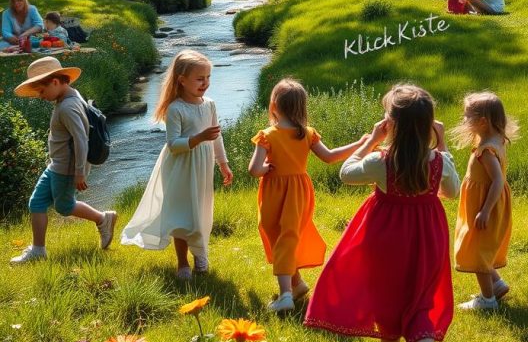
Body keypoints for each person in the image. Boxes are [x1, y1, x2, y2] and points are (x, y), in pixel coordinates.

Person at [305, 84, 460, 342]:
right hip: (428, 240)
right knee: (421, 301)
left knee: (387, 303)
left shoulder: (381, 161)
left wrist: (371, 141)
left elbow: (346, 173)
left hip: (386, 241)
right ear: (429, 125)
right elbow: (452, 191)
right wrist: (441, 145)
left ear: (391, 125)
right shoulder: (438, 161)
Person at [248, 77, 368, 313]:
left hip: (274, 192)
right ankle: (297, 284)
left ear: (274, 105)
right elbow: (330, 156)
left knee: (280, 237)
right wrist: (360, 144)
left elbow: (254, 170)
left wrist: (266, 168)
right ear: (302, 106)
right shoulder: (307, 134)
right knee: (287, 235)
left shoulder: (267, 135)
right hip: (299, 191)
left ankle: (285, 296)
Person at [121, 50, 232, 279]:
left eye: (208, 77)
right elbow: (173, 144)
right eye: (199, 78)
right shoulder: (176, 108)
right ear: (182, 80)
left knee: (201, 211)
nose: (205, 83)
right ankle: (182, 262)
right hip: (180, 167)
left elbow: (217, 137)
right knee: (182, 214)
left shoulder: (209, 104)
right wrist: (199, 138)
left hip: (202, 167)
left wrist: (223, 163)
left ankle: (200, 253)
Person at [10, 57, 117, 264]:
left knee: (65, 207)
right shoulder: (70, 95)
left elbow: (81, 140)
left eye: (42, 91)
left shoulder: (68, 107)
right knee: (36, 202)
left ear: (55, 82)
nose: (40, 97)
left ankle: (103, 219)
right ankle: (38, 250)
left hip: (66, 168)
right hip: (56, 165)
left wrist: (79, 171)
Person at [453, 91, 518, 311]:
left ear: (482, 122)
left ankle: (487, 300)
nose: (463, 120)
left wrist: (485, 210)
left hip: (485, 205)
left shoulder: (487, 151)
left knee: (477, 252)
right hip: (485, 203)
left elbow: (498, 180)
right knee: (480, 246)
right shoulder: (496, 140)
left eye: (466, 116)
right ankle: (497, 284)